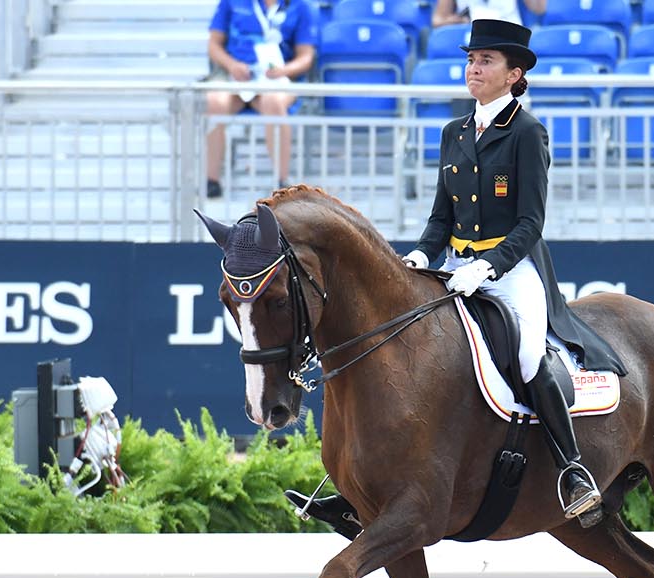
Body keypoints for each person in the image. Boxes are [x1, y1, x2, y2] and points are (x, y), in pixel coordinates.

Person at [302, 19, 626, 530]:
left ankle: (572, 470)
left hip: (513, 269)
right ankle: (361, 487)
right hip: (455, 266)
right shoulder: (454, 132)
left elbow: (530, 223)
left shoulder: (526, 132)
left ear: (514, 73)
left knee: (526, 355)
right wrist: (420, 257)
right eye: (471, 59)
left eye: (487, 61)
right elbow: (440, 218)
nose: (474, 67)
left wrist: (488, 265)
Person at [204, 0, 318, 198]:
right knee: (215, 102)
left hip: (277, 78)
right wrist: (232, 65)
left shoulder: (300, 6)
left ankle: (282, 182)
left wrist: (283, 70)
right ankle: (212, 180)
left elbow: (306, 56)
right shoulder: (231, 2)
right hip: (237, 75)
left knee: (273, 103)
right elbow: (214, 44)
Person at [431, 0, 545, 28]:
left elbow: (539, 9)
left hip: (510, 31)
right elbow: (437, 20)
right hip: (472, 35)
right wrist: (458, 21)